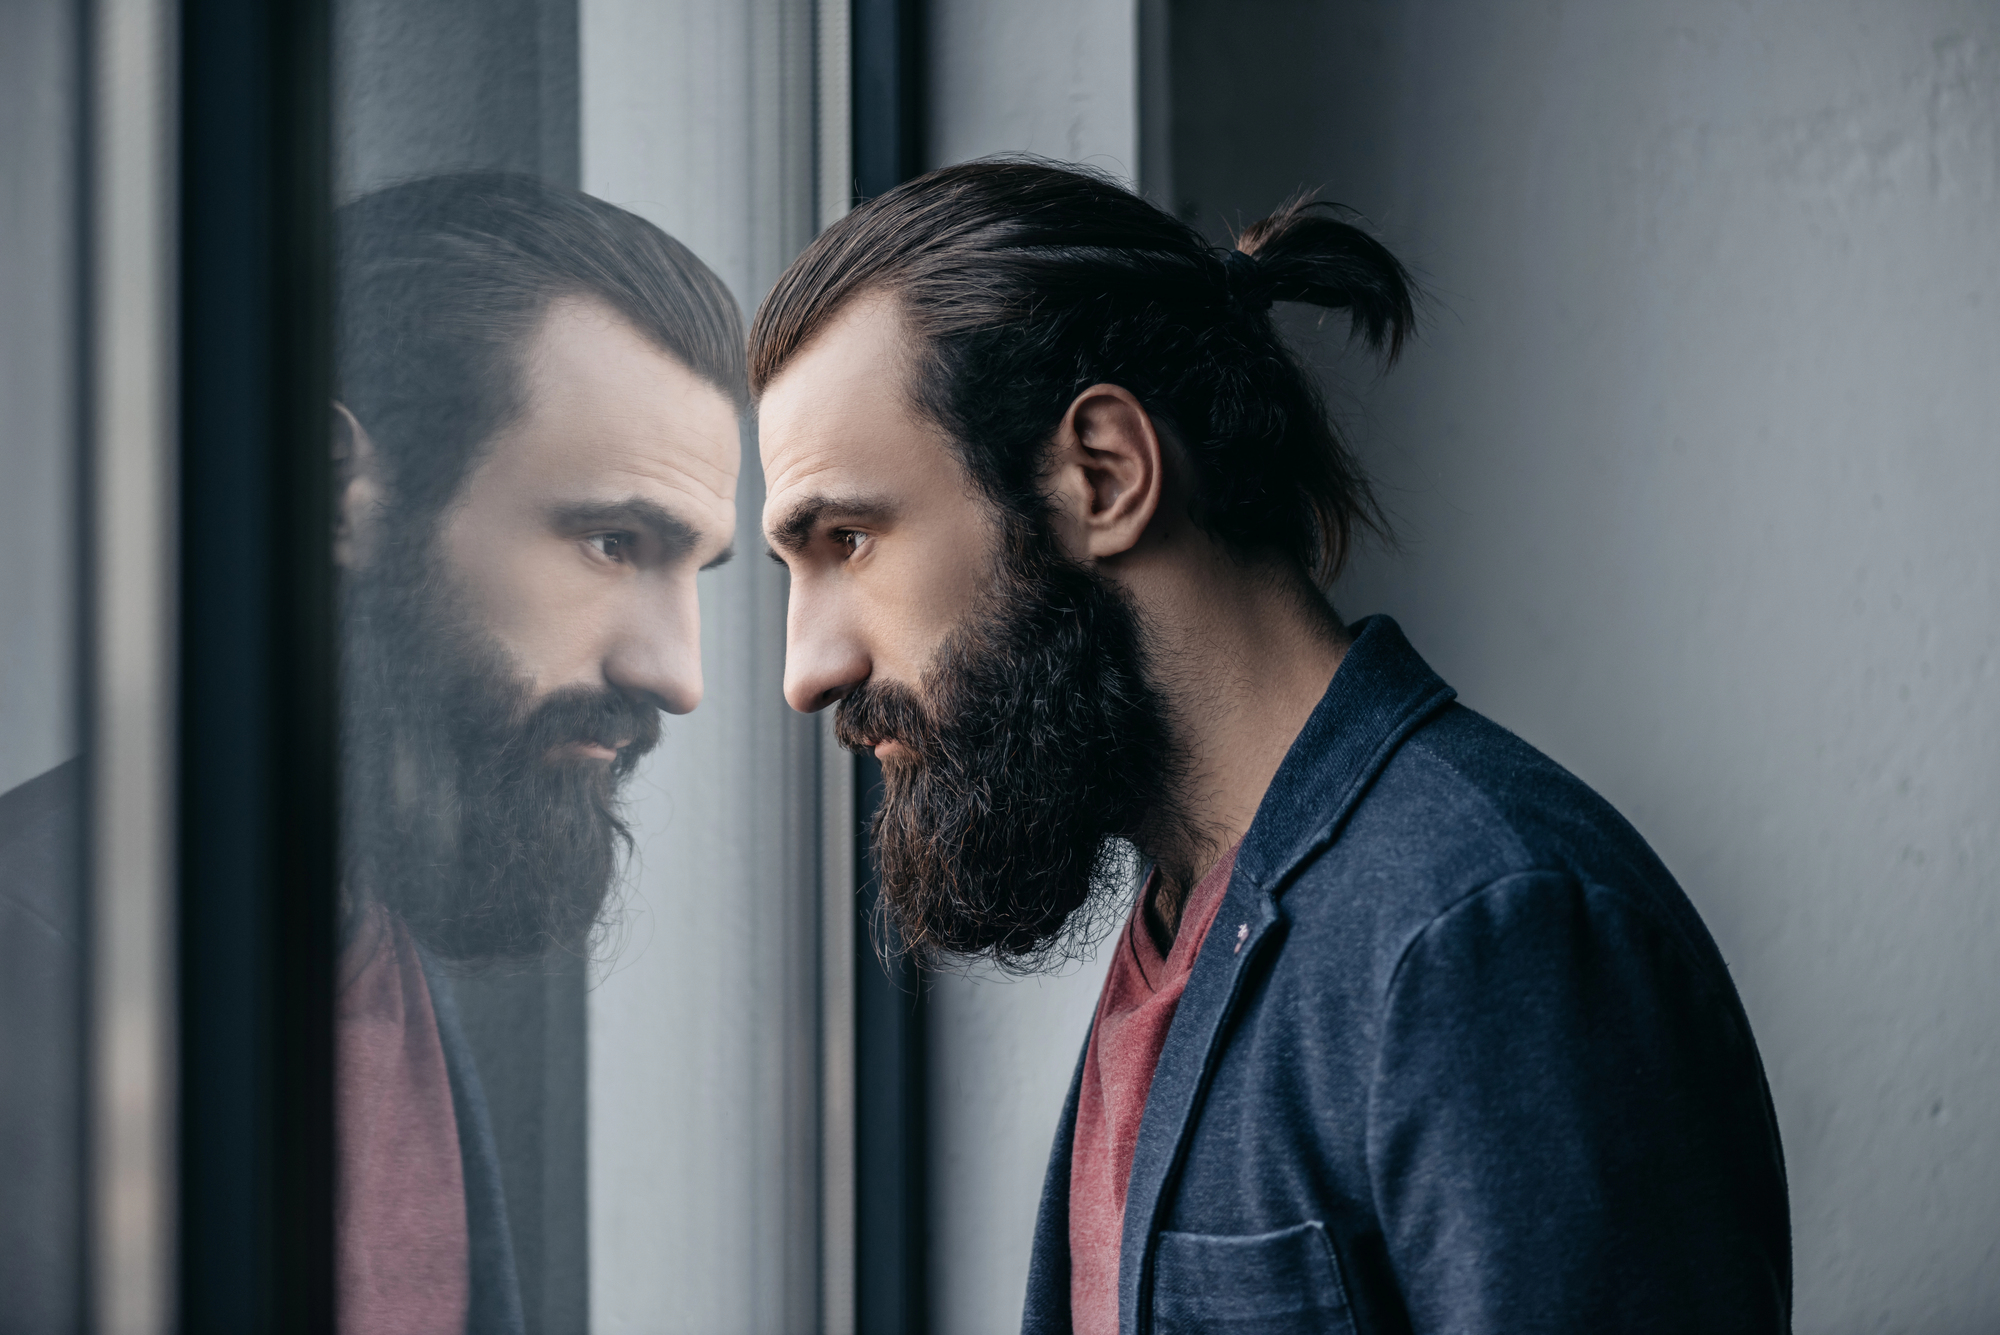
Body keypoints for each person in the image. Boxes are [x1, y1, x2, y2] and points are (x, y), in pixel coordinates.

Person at [751, 159, 1790, 1334]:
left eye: (849, 539)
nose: (806, 671)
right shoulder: (1186, 917)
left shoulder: (1484, 933)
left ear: (1102, 475)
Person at [334, 172, 742, 1334]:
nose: (677, 674)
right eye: (613, 542)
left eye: (694, 571)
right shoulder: (41, 983)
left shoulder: (374, 944)